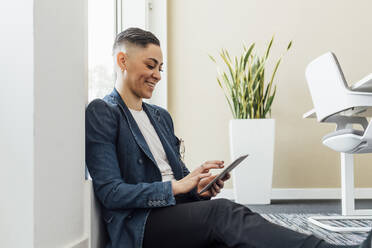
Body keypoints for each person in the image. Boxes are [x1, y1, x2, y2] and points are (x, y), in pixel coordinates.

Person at [85, 27, 372, 248]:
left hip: (175, 210)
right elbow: (110, 192)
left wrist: (200, 186)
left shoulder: (159, 116)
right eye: (150, 65)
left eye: (161, 68)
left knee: (237, 236)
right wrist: (176, 187)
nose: (157, 75)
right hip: (140, 224)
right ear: (123, 60)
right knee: (222, 214)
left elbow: (182, 182)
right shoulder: (104, 112)